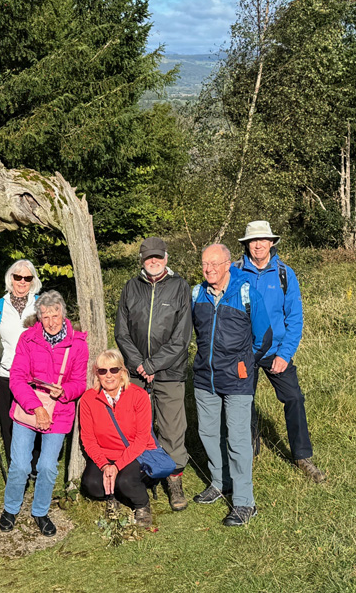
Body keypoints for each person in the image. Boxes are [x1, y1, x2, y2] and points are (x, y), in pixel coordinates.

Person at [190, 244, 273, 526]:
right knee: (208, 434)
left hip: (237, 379)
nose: (209, 269)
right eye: (204, 264)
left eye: (214, 263)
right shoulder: (197, 293)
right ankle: (219, 481)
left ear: (228, 264)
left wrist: (245, 364)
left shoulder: (246, 291)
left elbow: (263, 336)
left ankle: (244, 503)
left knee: (237, 441)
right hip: (205, 377)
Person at [237, 220, 325, 483]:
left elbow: (294, 318)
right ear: (246, 245)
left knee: (294, 399)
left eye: (264, 239)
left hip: (276, 351)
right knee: (243, 402)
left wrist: (285, 354)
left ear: (272, 242)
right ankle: (248, 451)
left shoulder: (285, 273)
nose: (259, 245)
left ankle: (302, 456)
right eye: (254, 240)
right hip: (244, 352)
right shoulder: (235, 272)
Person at [0, 291, 88, 536]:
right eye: (45, 316)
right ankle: (11, 508)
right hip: (29, 407)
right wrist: (36, 407)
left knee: (48, 466)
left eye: (55, 314)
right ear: (39, 318)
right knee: (20, 465)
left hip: (59, 410)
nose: (51, 321)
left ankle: (40, 511)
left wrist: (66, 391)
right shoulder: (28, 339)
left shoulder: (77, 343)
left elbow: (80, 382)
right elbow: (16, 378)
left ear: (63, 314)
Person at [114, 236, 192, 511]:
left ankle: (174, 481)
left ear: (166, 258)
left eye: (158, 257)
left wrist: (153, 365)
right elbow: (121, 332)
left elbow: (182, 337)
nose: (154, 261)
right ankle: (141, 478)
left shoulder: (180, 287)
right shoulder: (131, 288)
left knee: (172, 429)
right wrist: (138, 364)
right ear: (142, 260)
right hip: (135, 374)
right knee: (137, 429)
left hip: (170, 372)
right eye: (149, 258)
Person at [79, 349, 157, 526]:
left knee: (126, 480)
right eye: (102, 371)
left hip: (135, 453)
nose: (108, 375)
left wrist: (117, 466)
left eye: (114, 370)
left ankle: (141, 504)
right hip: (106, 454)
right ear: (96, 373)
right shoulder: (88, 399)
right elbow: (88, 439)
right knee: (91, 484)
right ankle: (114, 494)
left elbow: (142, 439)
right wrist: (105, 465)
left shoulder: (139, 395)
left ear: (122, 372)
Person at [0, 260, 41, 465]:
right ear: (10, 278)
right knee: (8, 421)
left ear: (33, 281)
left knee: (34, 419)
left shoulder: (41, 304)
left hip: (33, 376)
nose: (22, 281)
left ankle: (35, 463)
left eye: (27, 278)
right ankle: (15, 464)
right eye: (17, 277)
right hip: (6, 374)